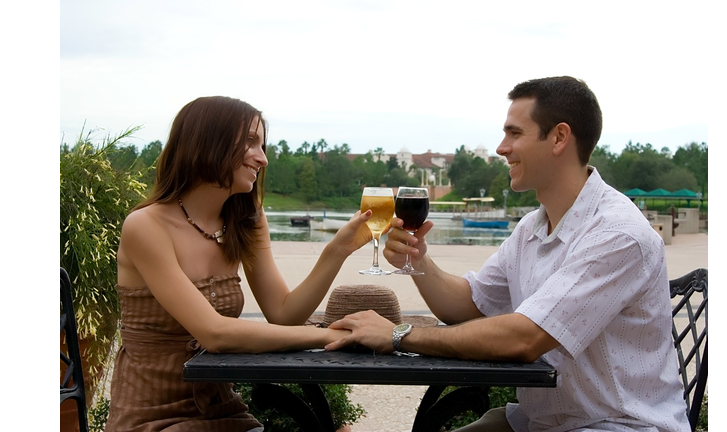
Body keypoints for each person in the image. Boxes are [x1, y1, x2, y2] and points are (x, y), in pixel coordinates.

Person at [326, 77, 689, 431]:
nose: (501, 148)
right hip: (538, 421)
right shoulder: (533, 227)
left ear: (559, 138)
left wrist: (397, 335)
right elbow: (467, 304)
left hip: (617, 424)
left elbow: (524, 338)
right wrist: (419, 260)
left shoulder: (617, 234)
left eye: (515, 133)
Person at [105, 96, 372, 432]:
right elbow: (215, 334)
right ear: (207, 140)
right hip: (151, 418)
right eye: (250, 142)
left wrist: (337, 251)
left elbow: (284, 313)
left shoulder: (245, 218)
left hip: (225, 415)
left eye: (262, 144)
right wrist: (325, 336)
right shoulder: (146, 226)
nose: (263, 158)